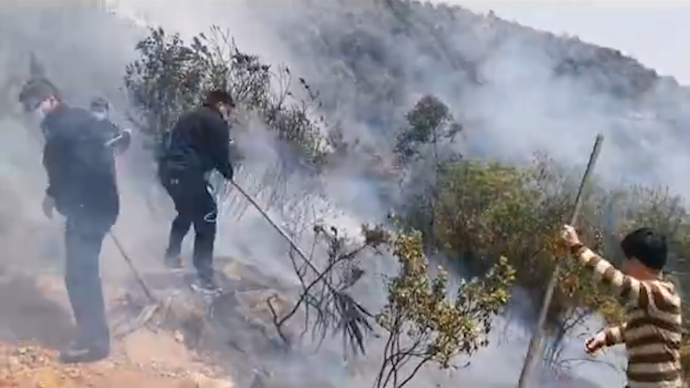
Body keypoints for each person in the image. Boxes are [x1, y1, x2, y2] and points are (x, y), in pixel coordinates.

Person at [18, 78, 118, 363]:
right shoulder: (65, 124)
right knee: (79, 272)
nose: (32, 112)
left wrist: (81, 200)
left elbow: (89, 162)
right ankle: (92, 334)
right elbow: (65, 167)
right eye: (28, 108)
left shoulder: (68, 124)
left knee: (81, 274)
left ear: (50, 100)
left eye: (34, 105)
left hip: (90, 207)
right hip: (90, 205)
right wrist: (54, 195)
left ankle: (94, 342)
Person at [561, 225, 682, 388]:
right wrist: (606, 337)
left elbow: (614, 279)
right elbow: (637, 328)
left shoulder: (659, 294)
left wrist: (576, 247)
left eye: (627, 260)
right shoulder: (649, 300)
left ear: (637, 262)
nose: (624, 267)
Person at [157, 89, 235, 293]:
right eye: (228, 109)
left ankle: (171, 257)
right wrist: (228, 173)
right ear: (220, 105)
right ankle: (204, 278)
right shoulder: (216, 122)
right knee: (207, 215)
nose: (228, 114)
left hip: (168, 172)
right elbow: (221, 154)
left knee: (187, 211)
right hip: (188, 173)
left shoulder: (187, 117)